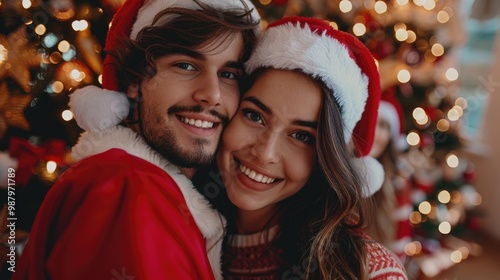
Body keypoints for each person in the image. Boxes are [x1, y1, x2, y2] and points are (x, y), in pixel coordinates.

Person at [13, 0, 260, 279]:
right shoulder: (125, 188)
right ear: (133, 81)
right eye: (186, 66)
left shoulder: (145, 186)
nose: (212, 94)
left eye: (228, 74)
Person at [194, 16, 408, 279]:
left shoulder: (369, 271)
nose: (265, 153)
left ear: (325, 158)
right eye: (254, 116)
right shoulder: (175, 228)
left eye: (302, 136)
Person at [367, 91, 413, 264]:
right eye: (370, 121)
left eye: (383, 125)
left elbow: (399, 245)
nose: (373, 133)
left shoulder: (398, 182)